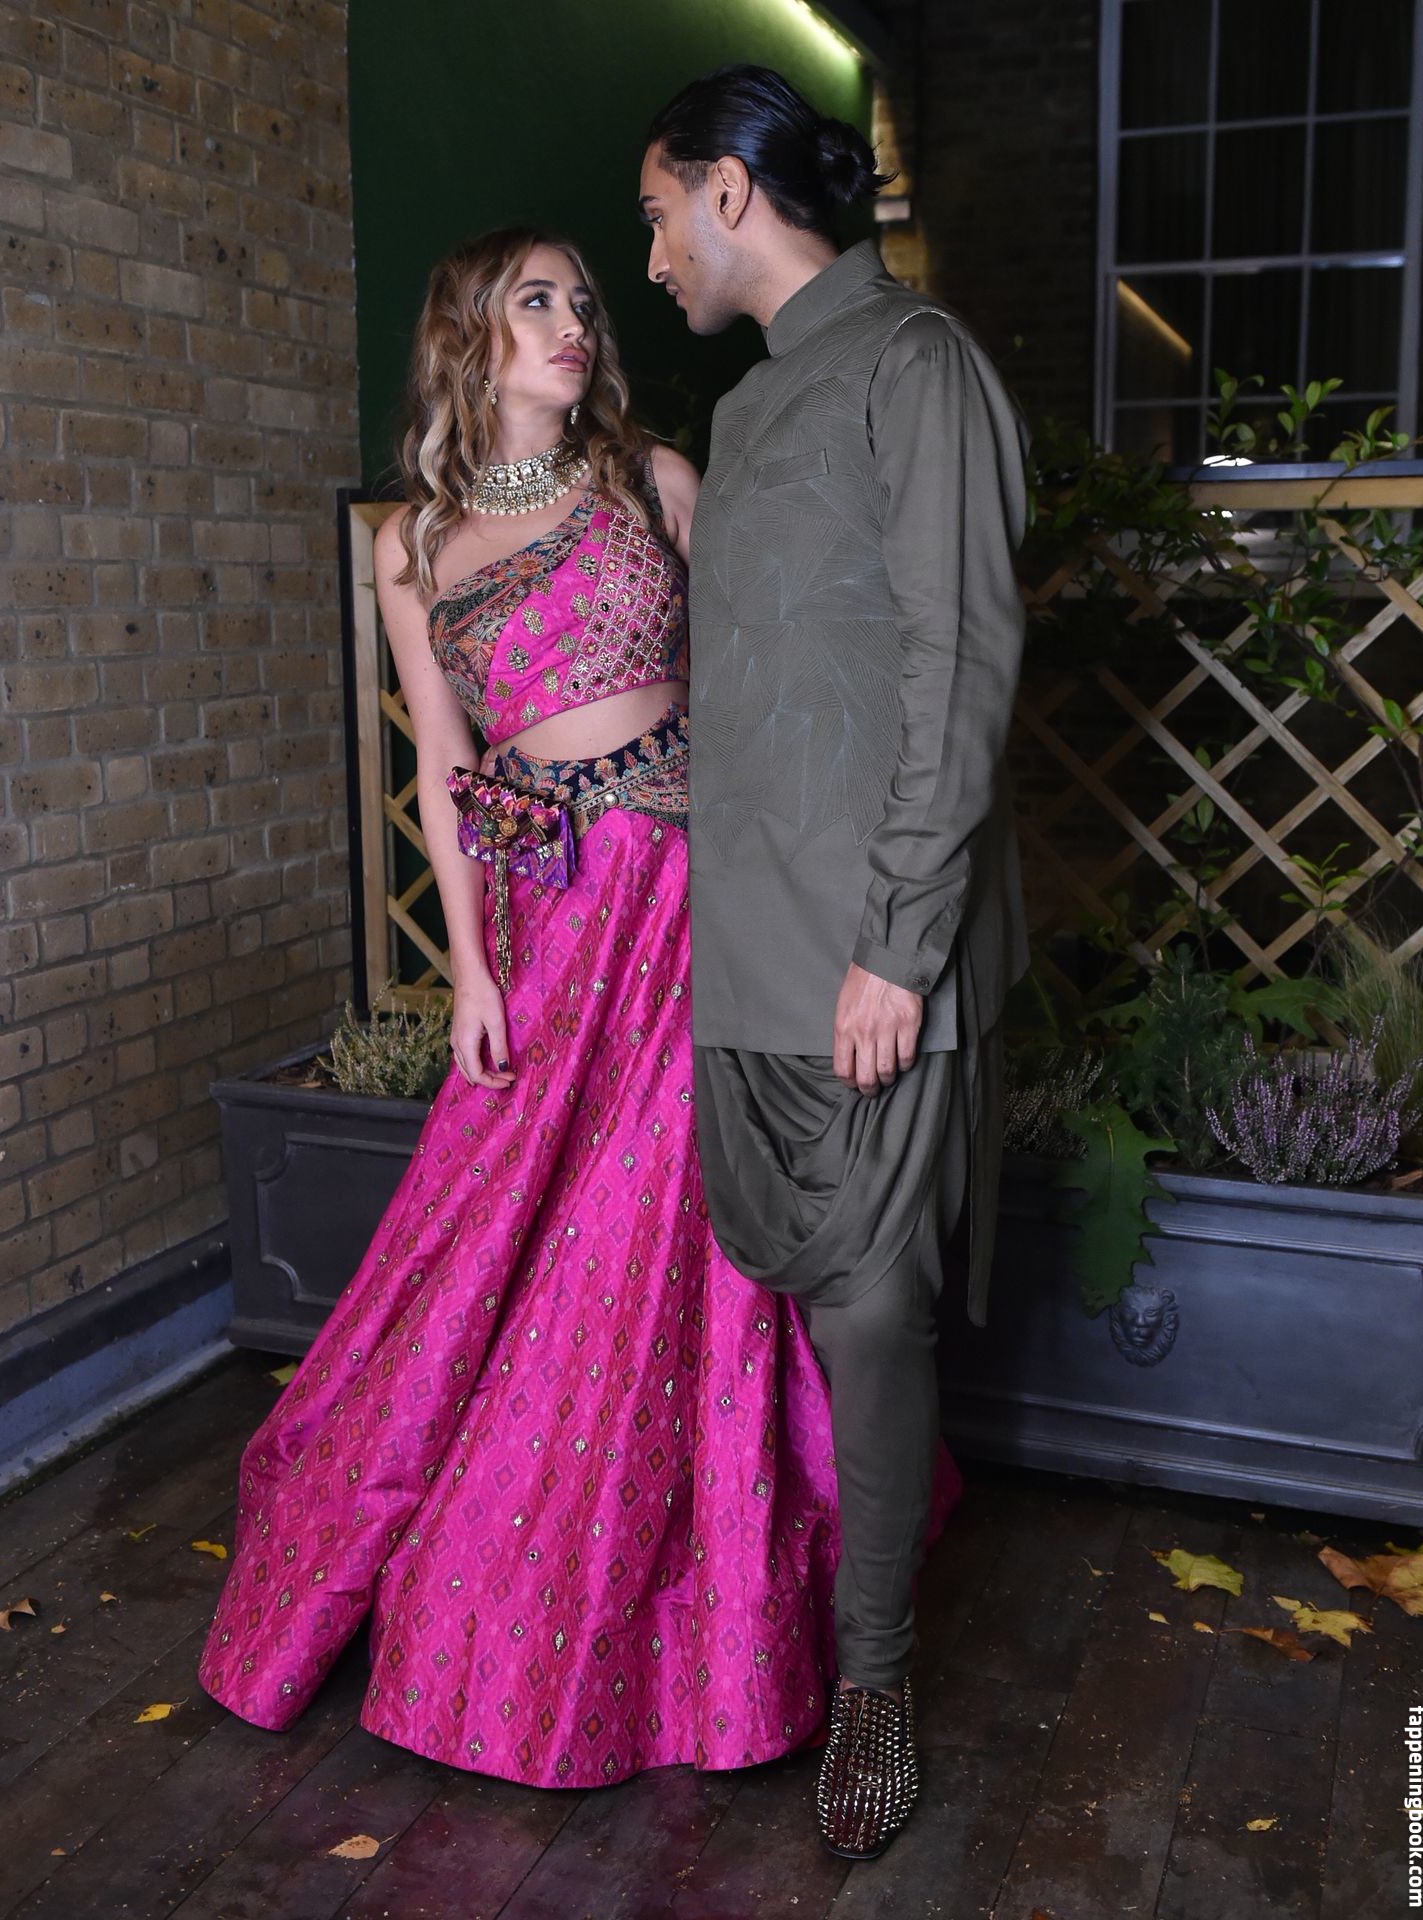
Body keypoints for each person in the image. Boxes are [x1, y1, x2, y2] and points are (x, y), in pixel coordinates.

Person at [197, 226, 964, 1790]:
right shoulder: (415, 546)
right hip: (553, 916)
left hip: (698, 891)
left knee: (671, 1219)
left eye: (581, 303)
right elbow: (440, 768)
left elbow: (778, 678)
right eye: (534, 302)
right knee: (500, 1224)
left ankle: (721, 1616)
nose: (572, 324)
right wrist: (471, 968)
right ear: (468, 337)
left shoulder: (654, 482)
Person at [640, 67, 1031, 1858]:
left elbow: (962, 661)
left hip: (875, 952)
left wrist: (900, 942)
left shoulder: (914, 364)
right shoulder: (747, 406)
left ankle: (874, 1684)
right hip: (746, 945)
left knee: (871, 1316)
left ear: (731, 192)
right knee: (795, 1302)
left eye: (659, 215)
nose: (654, 257)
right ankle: (762, 1634)